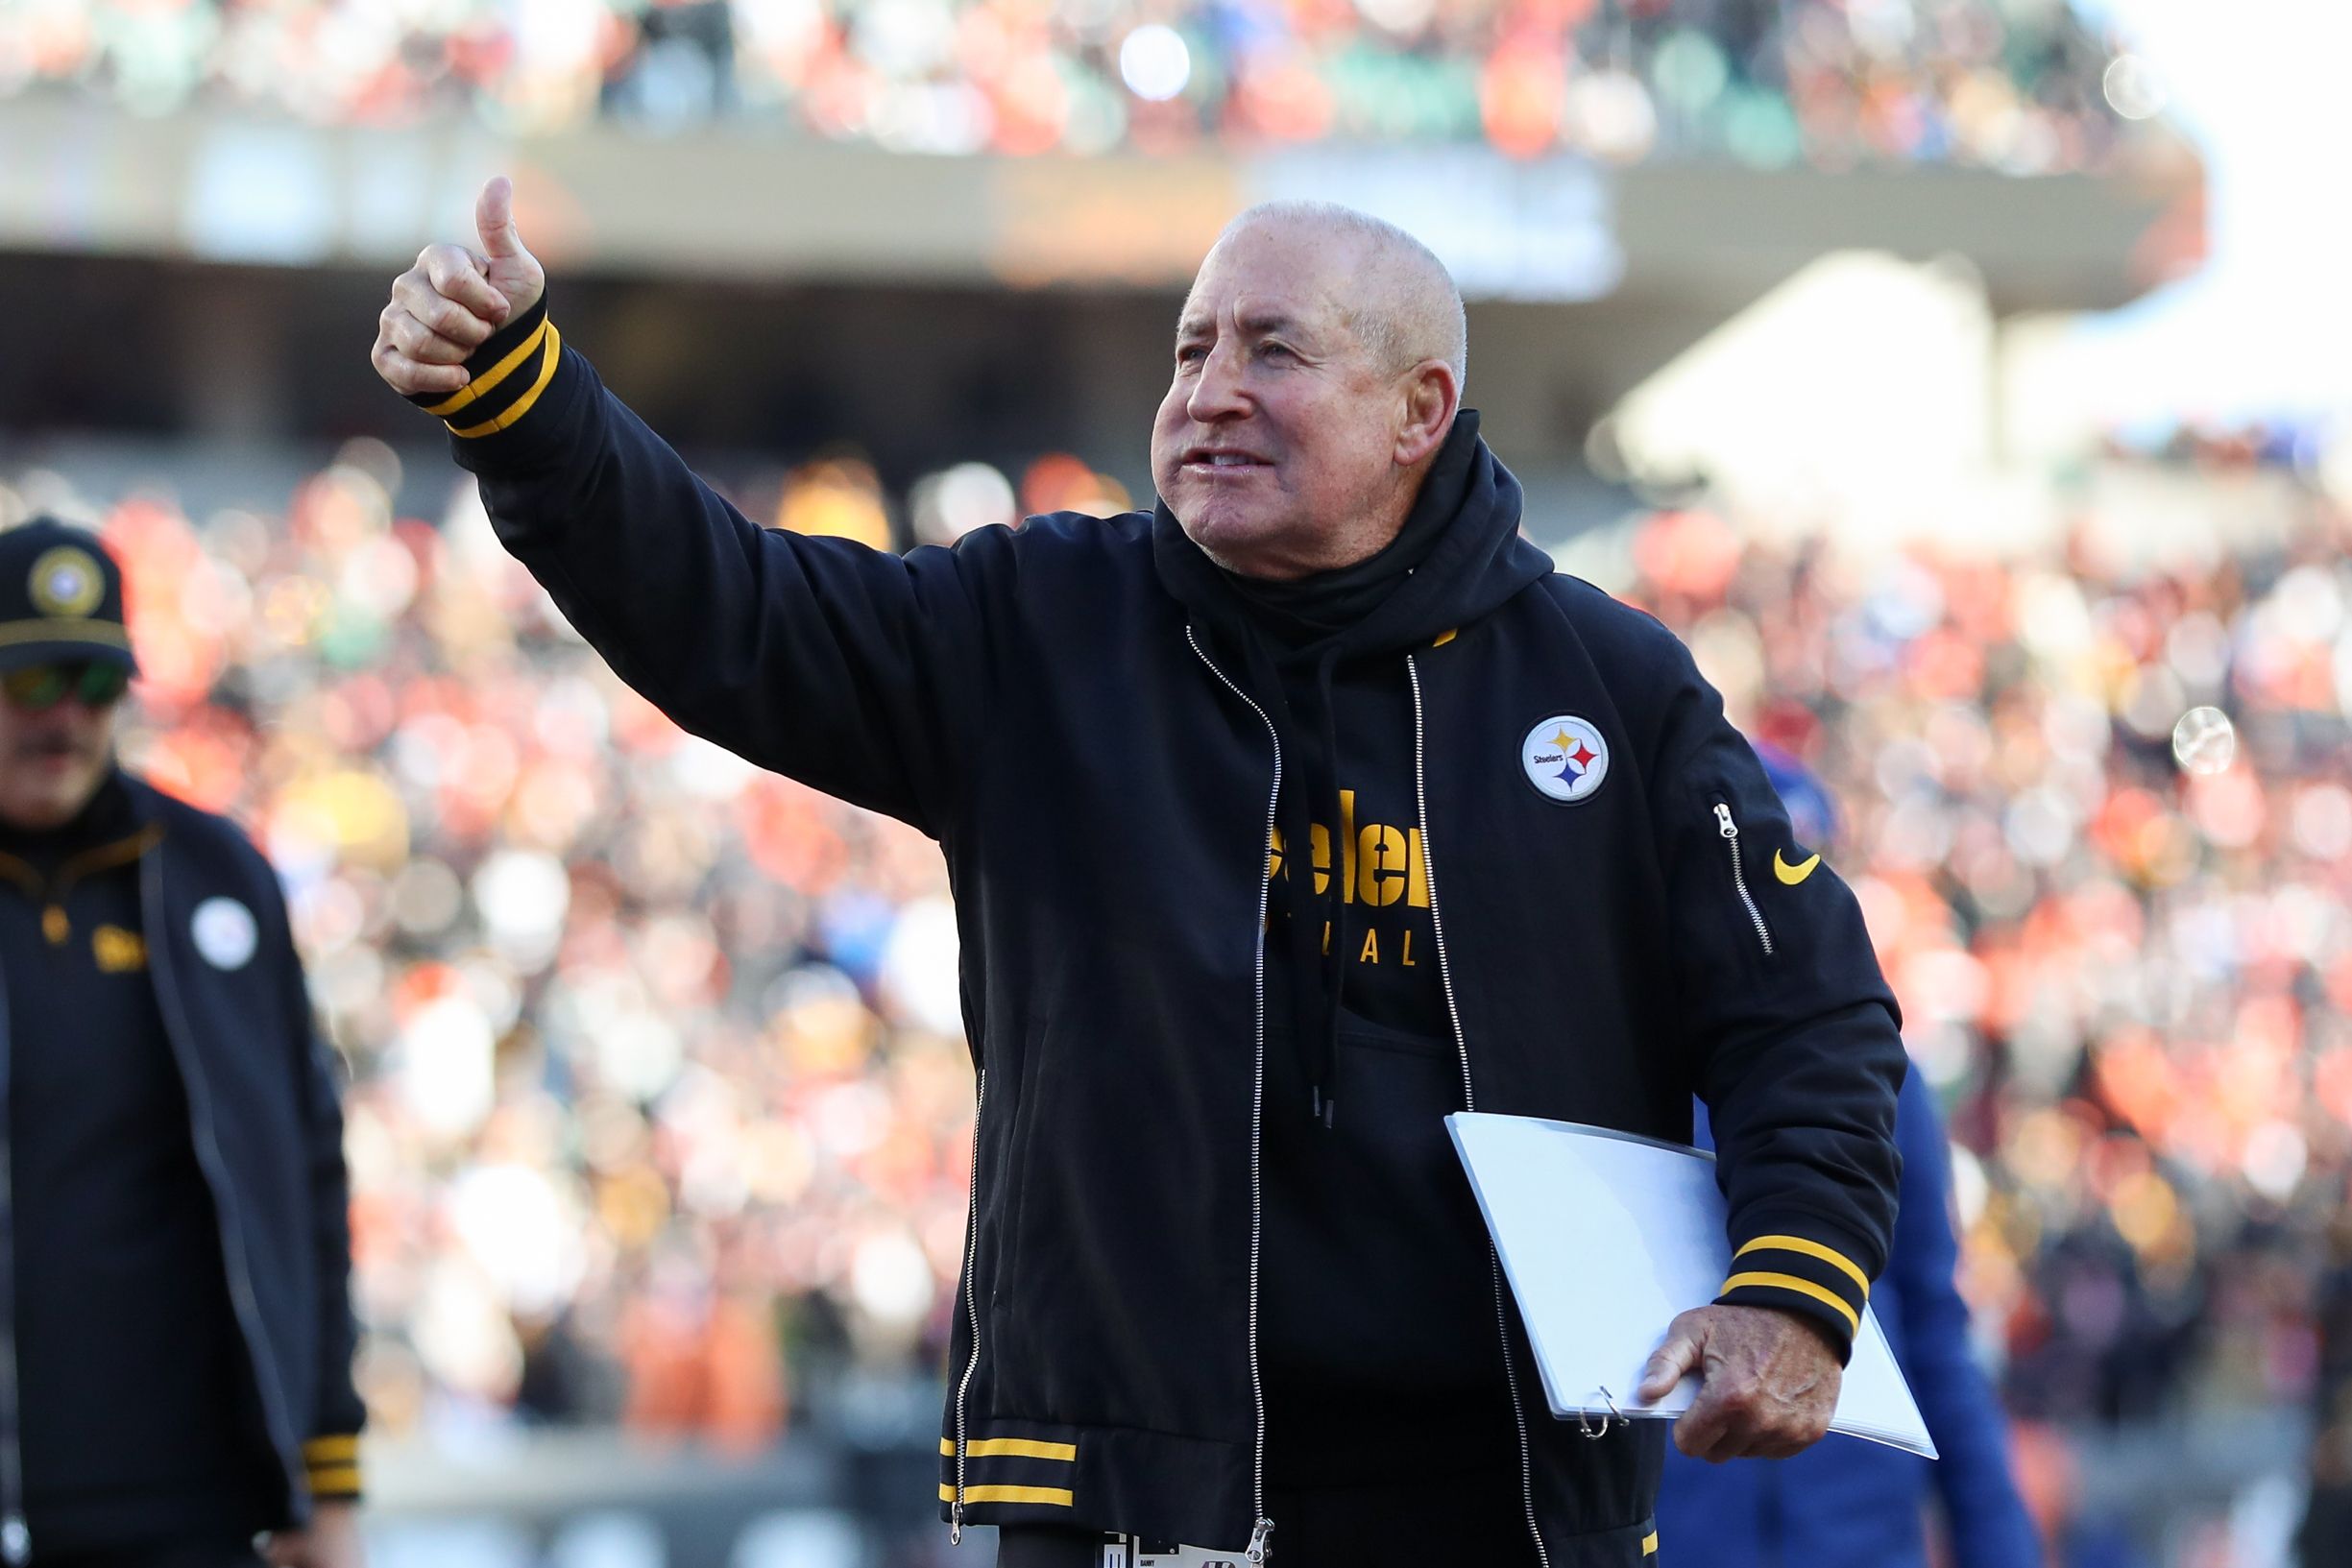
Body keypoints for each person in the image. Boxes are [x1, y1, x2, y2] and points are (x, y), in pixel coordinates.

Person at [371, 181, 1907, 1566]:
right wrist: (526, 398)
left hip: (1500, 1501)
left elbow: (1810, 1014)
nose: (1209, 395)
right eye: (1189, 352)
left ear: (1417, 408)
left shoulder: (1609, 685)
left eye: (1272, 352)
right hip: (1129, 1500)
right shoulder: (1039, 623)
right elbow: (734, 610)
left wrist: (1792, 1286)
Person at [0, 519, 365, 1568]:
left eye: (94, 681)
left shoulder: (216, 877)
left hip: (192, 1514)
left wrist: (326, 1480)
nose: (63, 717)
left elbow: (306, 1180)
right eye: (30, 682)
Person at [1658, 744, 2041, 1568]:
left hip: (1853, 1537)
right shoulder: (1620, 1063)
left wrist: (1998, 1544)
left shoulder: (1884, 1082)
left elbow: (1935, 1327)